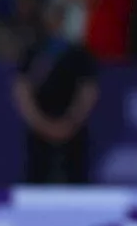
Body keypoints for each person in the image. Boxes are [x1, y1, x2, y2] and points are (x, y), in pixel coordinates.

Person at [12, 10, 99, 184]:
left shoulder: (78, 53)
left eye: (59, 17)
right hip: (40, 124)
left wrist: (71, 121)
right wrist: (40, 123)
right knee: (37, 175)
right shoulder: (33, 51)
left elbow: (89, 90)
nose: (55, 22)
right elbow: (22, 90)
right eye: (52, 17)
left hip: (72, 125)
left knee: (76, 177)